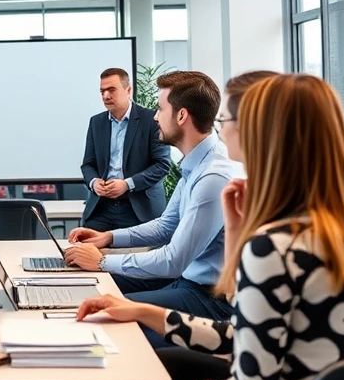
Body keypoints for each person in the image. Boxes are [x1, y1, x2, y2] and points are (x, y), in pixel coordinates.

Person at [76, 74, 344, 380]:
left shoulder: (277, 249)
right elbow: (246, 333)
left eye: (225, 120)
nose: (220, 129)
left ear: (258, 133)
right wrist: (140, 312)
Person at [65, 71, 242, 327]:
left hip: (208, 298)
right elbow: (166, 225)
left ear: (182, 116)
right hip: (187, 282)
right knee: (96, 290)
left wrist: (102, 261)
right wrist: (109, 238)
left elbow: (173, 260)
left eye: (160, 109)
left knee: (107, 309)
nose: (155, 117)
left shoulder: (213, 177)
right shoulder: (197, 163)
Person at [81, 67, 173, 230]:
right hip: (101, 208)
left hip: (138, 208)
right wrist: (94, 182)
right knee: (83, 250)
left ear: (128, 90)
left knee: (139, 254)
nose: (106, 96)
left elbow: (162, 165)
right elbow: (88, 164)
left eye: (111, 90)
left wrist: (127, 184)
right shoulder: (96, 122)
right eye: (102, 91)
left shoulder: (152, 120)